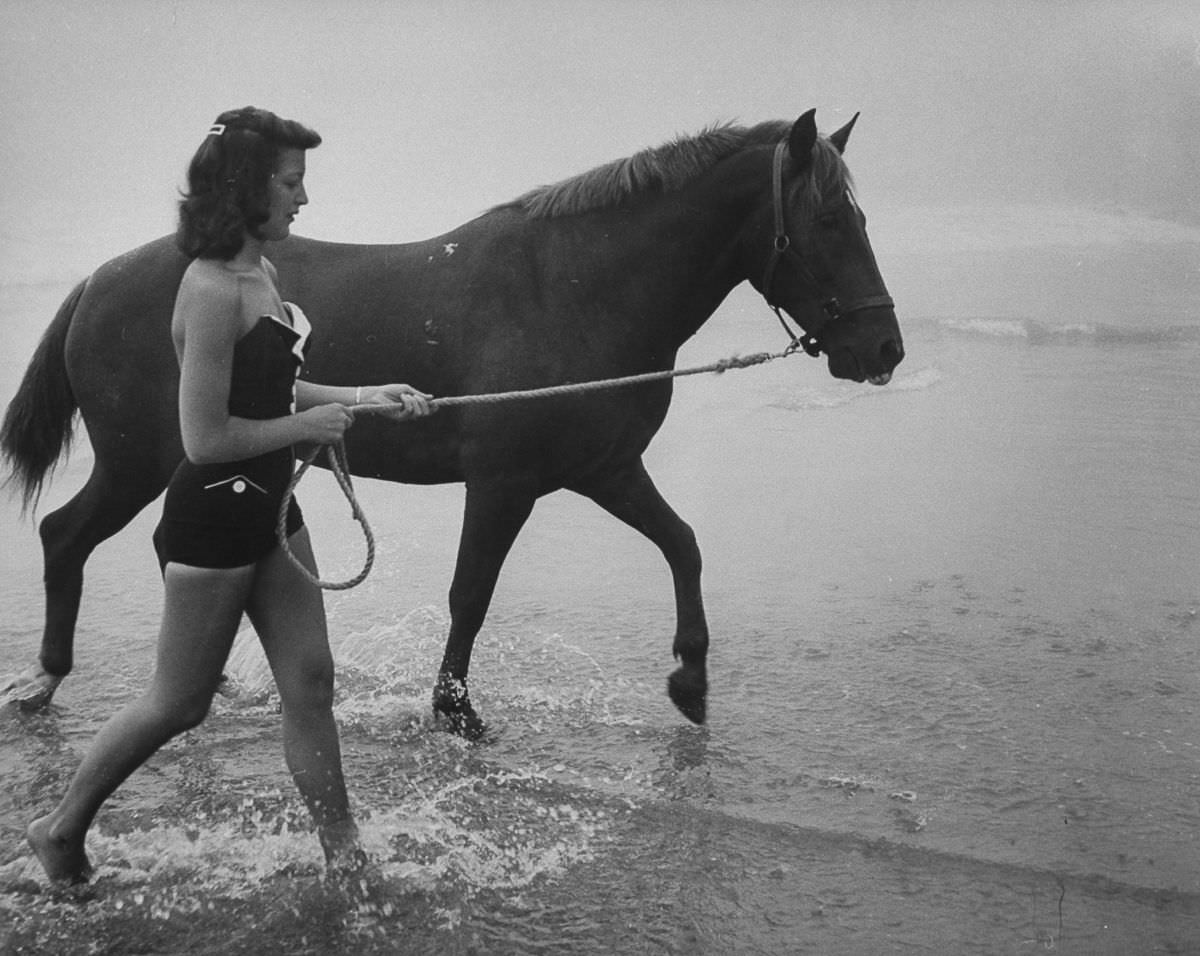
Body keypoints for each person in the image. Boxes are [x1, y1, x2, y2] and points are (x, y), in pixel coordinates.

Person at [26, 106, 432, 884]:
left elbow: (276, 385)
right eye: (290, 183)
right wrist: (307, 424)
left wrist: (367, 393)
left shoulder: (261, 275)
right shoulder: (210, 290)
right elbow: (205, 439)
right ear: (247, 188)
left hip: (270, 509)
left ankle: (343, 852)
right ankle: (59, 826)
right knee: (179, 704)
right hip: (214, 514)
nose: (302, 200)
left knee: (310, 682)